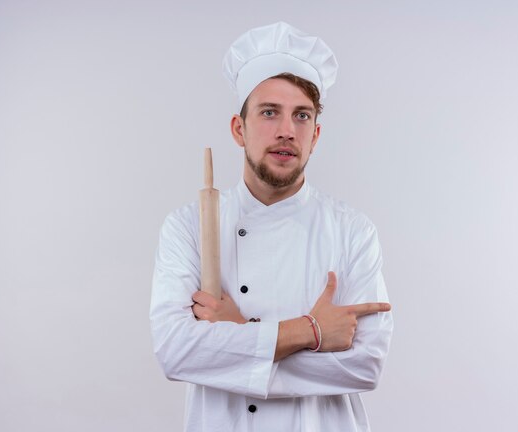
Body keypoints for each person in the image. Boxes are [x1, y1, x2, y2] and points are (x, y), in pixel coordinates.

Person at [150, 22, 393, 432]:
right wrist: (311, 331)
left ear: (315, 135)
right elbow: (176, 352)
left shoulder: (353, 231)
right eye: (268, 112)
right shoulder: (187, 226)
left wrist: (237, 338)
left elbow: (365, 367)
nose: (286, 130)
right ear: (238, 129)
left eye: (301, 115)